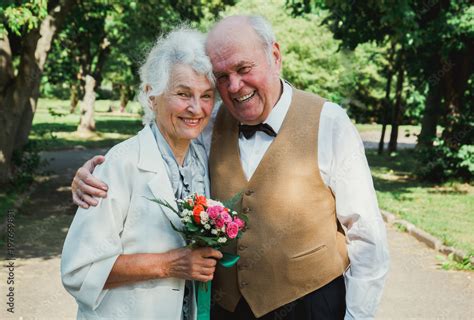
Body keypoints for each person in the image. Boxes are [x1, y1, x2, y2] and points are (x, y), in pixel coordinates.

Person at [71, 15, 390, 320]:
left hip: (311, 306)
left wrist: (358, 316)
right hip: (224, 310)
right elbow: (159, 138)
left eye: (244, 68)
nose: (235, 86)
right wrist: (94, 174)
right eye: (222, 76)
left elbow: (366, 234)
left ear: (275, 56)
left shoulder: (330, 122)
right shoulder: (208, 126)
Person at [61, 27, 223, 320]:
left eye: (206, 96)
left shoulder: (201, 158)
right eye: (183, 93)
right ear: (151, 95)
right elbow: (78, 271)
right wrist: (169, 265)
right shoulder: (120, 164)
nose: (196, 108)